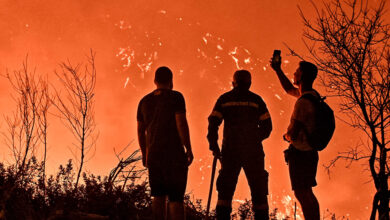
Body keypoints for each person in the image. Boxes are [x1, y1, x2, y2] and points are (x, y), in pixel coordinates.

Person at [207, 70, 272, 220]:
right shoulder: (257, 100)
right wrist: (254, 139)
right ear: (250, 83)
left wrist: (214, 146)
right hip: (253, 153)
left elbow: (213, 123)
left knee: (225, 192)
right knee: (259, 192)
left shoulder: (225, 99)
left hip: (230, 151)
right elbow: (267, 126)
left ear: (233, 83)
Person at [137, 66, 194, 220]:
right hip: (174, 154)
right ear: (171, 81)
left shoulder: (144, 101)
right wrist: (188, 148)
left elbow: (141, 131)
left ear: (155, 81)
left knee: (158, 196)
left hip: (154, 155)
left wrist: (145, 154)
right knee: (176, 198)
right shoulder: (176, 97)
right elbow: (181, 123)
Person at [270, 56, 321, 220]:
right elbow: (288, 89)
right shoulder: (312, 96)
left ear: (302, 76)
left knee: (301, 193)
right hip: (311, 152)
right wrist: (277, 70)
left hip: (300, 154)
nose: (294, 73)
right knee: (308, 192)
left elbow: (293, 133)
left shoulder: (302, 103)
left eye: (297, 71)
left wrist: (285, 136)